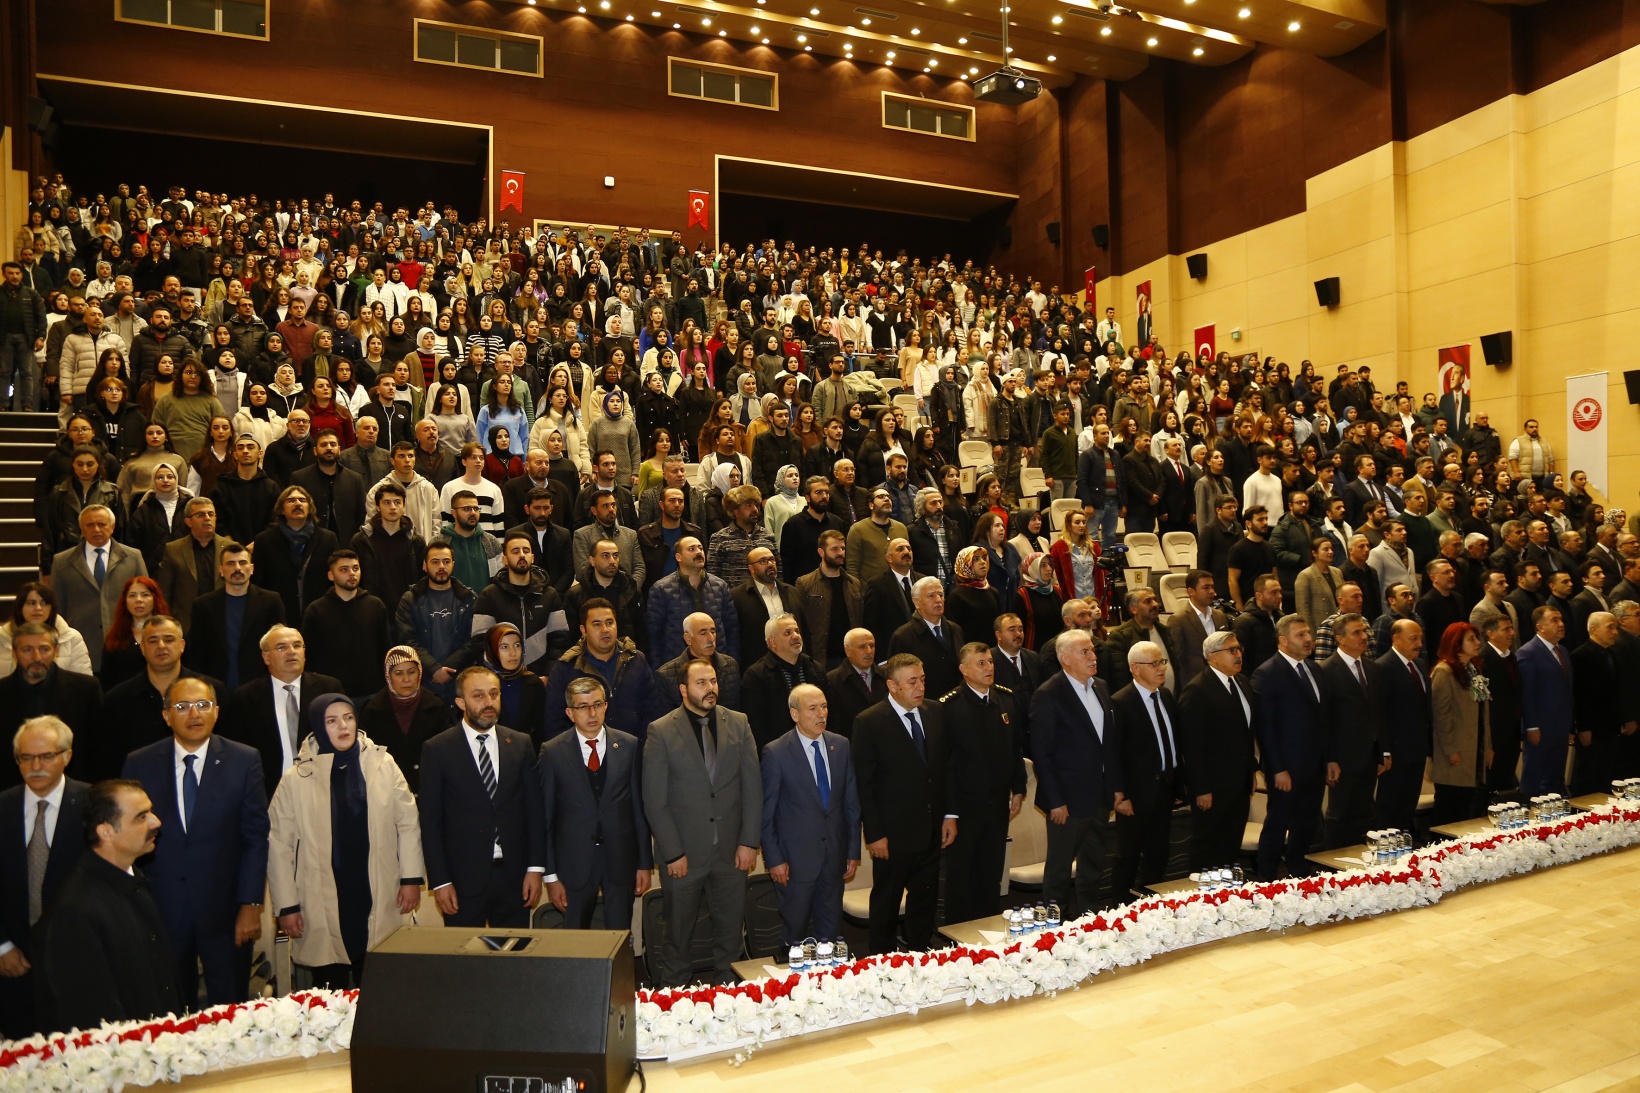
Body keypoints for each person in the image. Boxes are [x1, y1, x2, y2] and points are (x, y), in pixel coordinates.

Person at [121, 676, 269, 1006]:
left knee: (230, 1008)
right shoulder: (140, 762)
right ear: (166, 715)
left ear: (216, 712)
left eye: (203, 705)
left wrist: (250, 905)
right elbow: (128, 837)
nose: (194, 714)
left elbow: (255, 837)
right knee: (169, 1008)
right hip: (163, 907)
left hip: (227, 909)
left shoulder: (244, 760)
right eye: (183, 706)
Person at [267, 693, 423, 989]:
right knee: (329, 992)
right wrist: (286, 906)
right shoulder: (296, 777)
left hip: (377, 887)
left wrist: (411, 879)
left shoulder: (382, 763)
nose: (343, 726)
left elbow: (408, 822)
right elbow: (278, 845)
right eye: (332, 720)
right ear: (317, 726)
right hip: (322, 894)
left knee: (381, 987)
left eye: (349, 717)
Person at [644, 658, 760, 985]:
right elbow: (655, 800)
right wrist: (672, 853)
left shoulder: (739, 723)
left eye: (713, 681)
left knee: (730, 939)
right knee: (678, 940)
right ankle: (674, 1011)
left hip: (731, 853)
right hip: (683, 855)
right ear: (683, 689)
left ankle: (731, 1006)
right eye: (701, 683)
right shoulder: (662, 730)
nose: (710, 688)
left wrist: (749, 842)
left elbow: (753, 787)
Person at [33, 779, 177, 1033]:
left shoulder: (134, 881)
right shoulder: (75, 910)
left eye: (151, 812)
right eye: (141, 817)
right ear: (106, 831)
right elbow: (92, 1014)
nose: (156, 822)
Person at [417, 666, 545, 927]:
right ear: (460, 702)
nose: (489, 702)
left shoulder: (520, 744)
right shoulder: (437, 749)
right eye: (478, 696)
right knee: (466, 965)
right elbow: (430, 822)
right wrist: (440, 881)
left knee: (514, 962)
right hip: (462, 881)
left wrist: (535, 869)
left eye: (494, 694)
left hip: (515, 879)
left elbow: (535, 812)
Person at [850, 653, 954, 954]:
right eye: (912, 682)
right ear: (892, 686)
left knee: (925, 900)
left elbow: (946, 769)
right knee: (887, 902)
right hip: (892, 836)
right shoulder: (869, 722)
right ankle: (880, 962)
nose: (920, 686)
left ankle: (919, 955)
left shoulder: (935, 712)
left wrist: (950, 815)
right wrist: (875, 834)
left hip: (932, 828)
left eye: (922, 679)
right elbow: (865, 785)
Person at [536, 676, 651, 930]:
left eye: (597, 704)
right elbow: (546, 818)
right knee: (576, 940)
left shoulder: (629, 745)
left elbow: (638, 810)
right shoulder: (552, 752)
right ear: (570, 712)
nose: (592, 713)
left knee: (620, 935)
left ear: (606, 707)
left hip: (620, 860)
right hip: (574, 863)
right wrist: (551, 876)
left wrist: (645, 863)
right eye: (583, 706)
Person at [0, 716, 89, 1037]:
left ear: (67, 755)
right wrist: (2, 946)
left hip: (80, 959)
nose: (35, 765)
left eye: (46, 756)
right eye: (26, 757)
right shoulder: (2, 807)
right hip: (14, 961)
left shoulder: (94, 805)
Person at [760, 682, 860, 946]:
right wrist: (774, 859)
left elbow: (850, 803)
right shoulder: (776, 752)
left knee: (830, 936)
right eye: (813, 708)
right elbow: (766, 814)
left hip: (834, 859)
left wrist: (852, 851)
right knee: (794, 936)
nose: (821, 714)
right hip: (794, 863)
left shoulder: (841, 745)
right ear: (795, 714)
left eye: (824, 707)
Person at [938, 643, 1025, 923]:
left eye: (990, 662)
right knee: (962, 875)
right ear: (964, 670)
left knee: (991, 871)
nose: (989, 668)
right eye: (981, 663)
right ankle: (958, 938)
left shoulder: (1006, 700)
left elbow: (1015, 749)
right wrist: (950, 812)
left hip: (997, 803)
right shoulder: (949, 707)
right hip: (965, 806)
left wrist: (1019, 787)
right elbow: (946, 765)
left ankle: (987, 930)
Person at [221, 625, 344, 799]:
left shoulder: (329, 688)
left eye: (297, 645)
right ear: (266, 657)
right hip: (269, 791)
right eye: (281, 647)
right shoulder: (245, 697)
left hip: (322, 788)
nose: (291, 651)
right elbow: (238, 751)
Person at [1250, 615, 1325, 880]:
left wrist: (1330, 760)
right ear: (1283, 640)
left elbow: (1323, 720)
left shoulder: (1314, 669)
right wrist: (1277, 769)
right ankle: (1266, 876)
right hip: (1286, 767)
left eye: (1308, 633)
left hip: (1314, 763)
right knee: (1278, 822)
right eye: (1300, 635)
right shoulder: (1267, 673)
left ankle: (1298, 868)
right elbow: (1265, 728)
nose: (1308, 639)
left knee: (1307, 821)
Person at [1107, 640, 1184, 898]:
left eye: (1162, 662)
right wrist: (1121, 794)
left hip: (1164, 786)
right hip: (1135, 793)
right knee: (1128, 854)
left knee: (1159, 852)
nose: (1161, 668)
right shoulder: (1121, 702)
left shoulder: (1167, 696)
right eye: (1154, 664)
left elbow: (1174, 743)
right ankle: (1117, 908)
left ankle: (1150, 903)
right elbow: (1113, 753)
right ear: (1135, 669)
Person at [1177, 631, 1256, 870]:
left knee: (1231, 842)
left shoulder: (1242, 682)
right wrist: (1201, 788)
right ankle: (1199, 900)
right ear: (1212, 657)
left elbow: (1246, 734)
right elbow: (1192, 746)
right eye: (1231, 650)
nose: (1238, 654)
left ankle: (1228, 895)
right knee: (1207, 844)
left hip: (1239, 781)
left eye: (1239, 649)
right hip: (1212, 786)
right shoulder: (1197, 690)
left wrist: (1250, 772)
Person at [543, 599, 666, 742]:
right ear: (584, 630)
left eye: (609, 623)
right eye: (597, 624)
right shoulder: (567, 667)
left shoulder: (636, 660)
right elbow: (554, 721)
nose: (605, 630)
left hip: (633, 751)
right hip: (585, 754)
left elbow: (651, 712)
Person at [0, 623, 104, 787]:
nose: (37, 657)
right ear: (14, 653)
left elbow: (99, 749)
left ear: (56, 651)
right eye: (27, 650)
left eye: (44, 649)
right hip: (10, 795)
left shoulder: (85, 689)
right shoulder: (2, 693)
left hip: (75, 792)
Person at [51, 504, 147, 673]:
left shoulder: (133, 557)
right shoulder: (62, 562)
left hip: (125, 645)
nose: (96, 529)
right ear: (81, 528)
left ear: (112, 527)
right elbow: (57, 607)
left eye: (102, 524)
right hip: (81, 645)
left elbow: (147, 601)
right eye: (90, 525)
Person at [1316, 612, 1384, 849]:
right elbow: (1324, 721)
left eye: (1364, 631)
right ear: (1339, 639)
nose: (1363, 637)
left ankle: (1359, 868)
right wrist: (1330, 759)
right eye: (1357, 632)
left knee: (1364, 814)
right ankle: (1332, 867)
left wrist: (1382, 752)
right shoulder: (1325, 671)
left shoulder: (1372, 668)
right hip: (1342, 758)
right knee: (1339, 815)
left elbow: (1378, 714)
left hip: (1369, 756)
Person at [185, 541, 287, 691]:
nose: (237, 568)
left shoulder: (271, 601)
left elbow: (280, 645)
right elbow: (197, 652)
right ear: (221, 570)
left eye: (242, 562)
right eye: (230, 563)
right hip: (217, 687)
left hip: (259, 686)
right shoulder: (203, 605)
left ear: (251, 569)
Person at [301, 550, 394, 698]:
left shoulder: (375, 605)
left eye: (355, 568)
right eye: (344, 569)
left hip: (371, 693)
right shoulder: (316, 610)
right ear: (331, 575)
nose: (352, 573)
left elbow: (385, 650)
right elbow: (309, 657)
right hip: (330, 693)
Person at [1429, 623, 1494, 825]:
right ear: (1456, 644)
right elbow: (1441, 715)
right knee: (1450, 808)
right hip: (1454, 752)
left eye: (1477, 638)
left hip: (1474, 750)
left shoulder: (1474, 669)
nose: (1477, 643)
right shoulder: (1444, 671)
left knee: (1469, 807)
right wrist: (1450, 750)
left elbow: (1484, 713)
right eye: (1471, 639)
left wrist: (1488, 746)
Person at [1373, 619, 1432, 834]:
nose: (1418, 643)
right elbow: (1380, 713)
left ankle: (1404, 842)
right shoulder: (1382, 666)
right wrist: (1384, 750)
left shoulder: (1420, 664)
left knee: (1409, 801)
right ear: (1395, 639)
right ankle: (1385, 845)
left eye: (1420, 639)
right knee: (1390, 803)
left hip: (1417, 747)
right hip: (1395, 751)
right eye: (1413, 639)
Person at [251, 486, 342, 624]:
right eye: (291, 500)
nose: (297, 503)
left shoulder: (328, 539)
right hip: (279, 616)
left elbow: (335, 578)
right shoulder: (264, 540)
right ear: (281, 509)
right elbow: (258, 583)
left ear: (310, 507)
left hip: (320, 615)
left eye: (302, 500)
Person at [646, 535, 739, 669]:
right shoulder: (661, 589)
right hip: (678, 667)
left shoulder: (720, 586)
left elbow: (732, 630)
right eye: (691, 549)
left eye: (700, 548)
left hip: (717, 664)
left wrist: (731, 663)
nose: (698, 552)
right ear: (678, 557)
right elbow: (654, 637)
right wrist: (660, 671)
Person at [741, 613, 829, 753]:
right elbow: (756, 726)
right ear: (772, 642)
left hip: (818, 746)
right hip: (779, 753)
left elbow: (832, 712)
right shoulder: (756, 675)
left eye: (797, 631)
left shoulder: (815, 668)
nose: (795, 636)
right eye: (787, 633)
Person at [1571, 611, 1629, 796]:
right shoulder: (1581, 655)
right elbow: (1580, 695)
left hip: (1610, 726)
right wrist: (1584, 727)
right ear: (1594, 630)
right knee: (1589, 774)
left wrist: (1620, 720)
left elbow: (1616, 691)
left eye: (1616, 627)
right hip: (1592, 728)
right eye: (1610, 627)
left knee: (1607, 773)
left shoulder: (1612, 653)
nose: (1615, 632)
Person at [154, 496, 227, 635]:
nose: (207, 518)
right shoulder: (173, 549)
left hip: (223, 623)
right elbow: (164, 593)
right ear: (188, 522)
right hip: (186, 625)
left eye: (211, 514)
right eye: (200, 515)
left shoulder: (230, 548)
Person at [888, 576, 964, 699]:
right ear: (917, 602)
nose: (938, 600)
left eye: (941, 594)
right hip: (924, 705)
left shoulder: (955, 629)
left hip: (956, 702)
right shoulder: (902, 636)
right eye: (931, 596)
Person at [0, 583, 92, 680]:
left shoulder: (72, 638)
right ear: (20, 607)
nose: (38, 608)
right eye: (31, 603)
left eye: (44, 603)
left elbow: (84, 684)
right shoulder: (2, 637)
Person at [1476, 614, 1522, 793]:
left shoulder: (1511, 657)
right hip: (1494, 732)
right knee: (1492, 782)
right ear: (1491, 634)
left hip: (1511, 731)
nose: (1512, 633)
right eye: (1506, 629)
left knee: (1506, 779)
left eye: (1512, 628)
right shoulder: (1481, 660)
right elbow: (1479, 698)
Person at [824, 627, 885, 739]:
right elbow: (833, 723)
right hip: (851, 743)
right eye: (862, 647)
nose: (869, 651)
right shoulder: (832, 681)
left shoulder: (886, 676)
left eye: (872, 646)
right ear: (848, 651)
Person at [1170, 570, 1227, 685]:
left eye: (1212, 587)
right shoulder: (1178, 620)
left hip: (1222, 678)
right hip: (1196, 683)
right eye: (1206, 587)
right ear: (1191, 591)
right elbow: (1178, 660)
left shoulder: (1220, 615)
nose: (1212, 592)